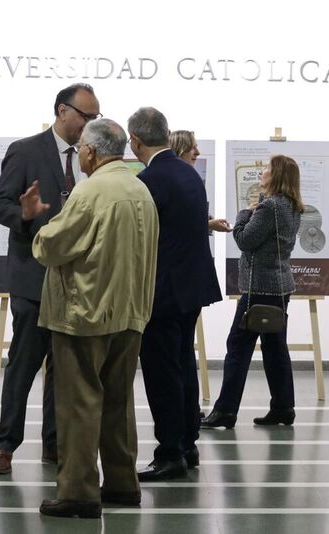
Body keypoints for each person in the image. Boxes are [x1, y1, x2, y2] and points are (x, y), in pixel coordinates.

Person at [32, 119, 159, 519]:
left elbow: (53, 246)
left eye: (82, 149)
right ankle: (122, 483)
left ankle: (79, 492)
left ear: (90, 151)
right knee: (118, 402)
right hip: (130, 313)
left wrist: (39, 230)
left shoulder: (91, 191)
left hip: (84, 313)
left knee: (79, 404)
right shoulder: (140, 189)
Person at [0, 83, 101, 474]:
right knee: (24, 365)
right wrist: (24, 214)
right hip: (33, 279)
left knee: (64, 369)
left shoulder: (94, 158)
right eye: (85, 115)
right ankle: (5, 445)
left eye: (95, 117)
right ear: (62, 111)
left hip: (77, 281)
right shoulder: (25, 151)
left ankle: (54, 445)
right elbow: (0, 206)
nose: (90, 123)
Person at [129, 107, 222, 481]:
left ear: (135, 141)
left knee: (162, 373)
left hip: (162, 291)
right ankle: (187, 444)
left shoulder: (148, 180)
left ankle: (169, 452)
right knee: (183, 364)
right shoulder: (188, 173)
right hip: (191, 287)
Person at [201, 155, 302, 429]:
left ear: (276, 175)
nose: (262, 172)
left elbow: (244, 240)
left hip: (260, 289)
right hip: (280, 287)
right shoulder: (292, 206)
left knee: (238, 347)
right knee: (275, 349)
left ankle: (225, 411)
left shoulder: (270, 207)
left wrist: (244, 213)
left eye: (267, 168)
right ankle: (283, 408)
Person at [169, 129, 231, 233]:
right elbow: (172, 223)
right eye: (192, 148)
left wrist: (207, 220)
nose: (198, 153)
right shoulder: (170, 182)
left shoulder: (187, 179)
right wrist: (208, 224)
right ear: (179, 149)